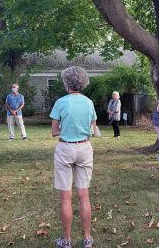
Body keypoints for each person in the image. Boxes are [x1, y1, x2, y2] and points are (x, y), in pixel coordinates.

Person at [50, 66, 98, 248]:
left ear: (67, 82)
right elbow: (92, 129)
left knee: (65, 197)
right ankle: (87, 239)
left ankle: (67, 240)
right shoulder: (89, 102)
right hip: (85, 148)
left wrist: (65, 129)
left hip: (65, 148)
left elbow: (54, 131)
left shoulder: (61, 102)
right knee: (84, 195)